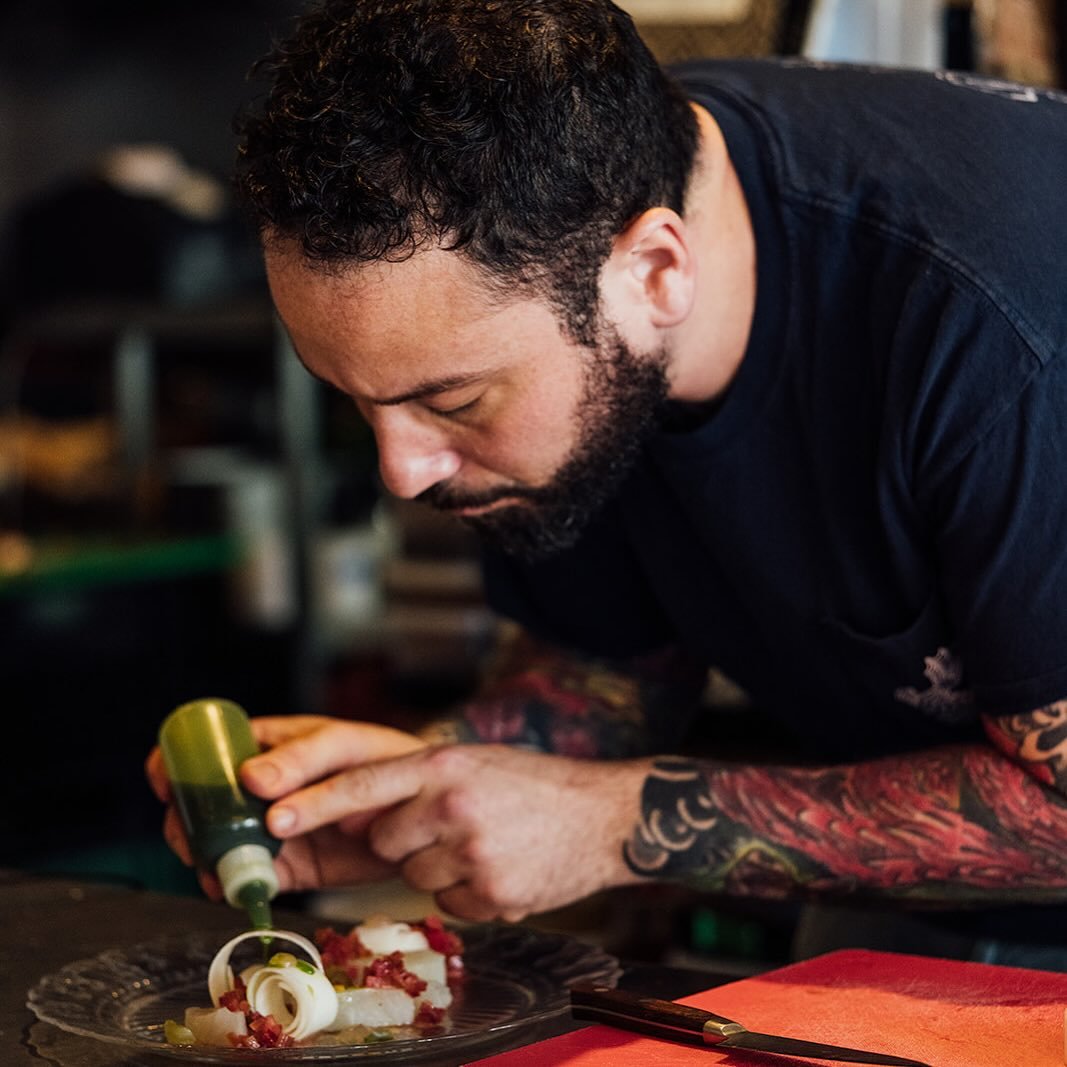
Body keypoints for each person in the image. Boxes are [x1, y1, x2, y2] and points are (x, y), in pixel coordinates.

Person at [147, 0, 1067, 958]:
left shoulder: (998, 327)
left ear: (655, 270)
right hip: (918, 910)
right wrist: (423, 788)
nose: (403, 473)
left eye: (454, 403)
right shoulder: (572, 215)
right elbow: (610, 660)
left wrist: (612, 822)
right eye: (353, 400)